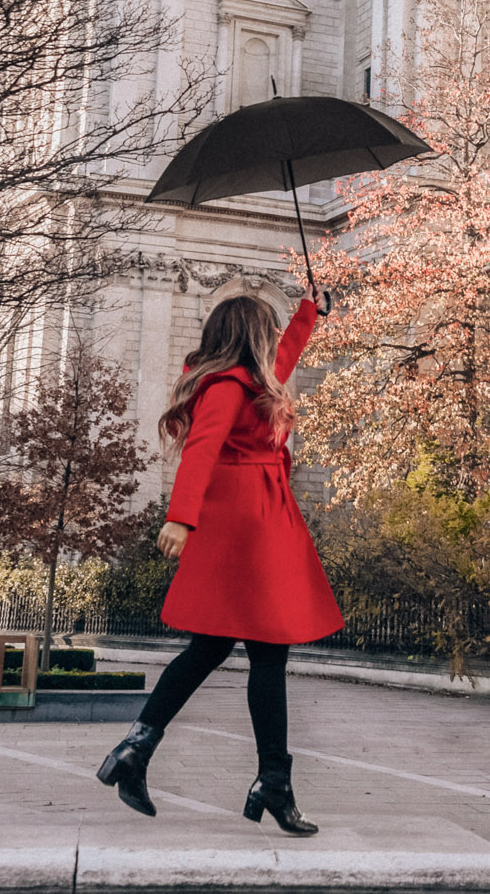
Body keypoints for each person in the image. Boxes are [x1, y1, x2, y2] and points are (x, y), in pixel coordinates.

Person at [96, 288, 343, 831]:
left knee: (211, 647)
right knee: (266, 651)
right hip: (246, 523)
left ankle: (136, 751)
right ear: (251, 336)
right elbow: (202, 447)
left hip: (254, 516)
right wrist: (179, 518)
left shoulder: (249, 380)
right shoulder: (229, 387)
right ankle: (272, 783)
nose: (275, 339)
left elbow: (285, 358)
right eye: (270, 329)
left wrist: (309, 313)